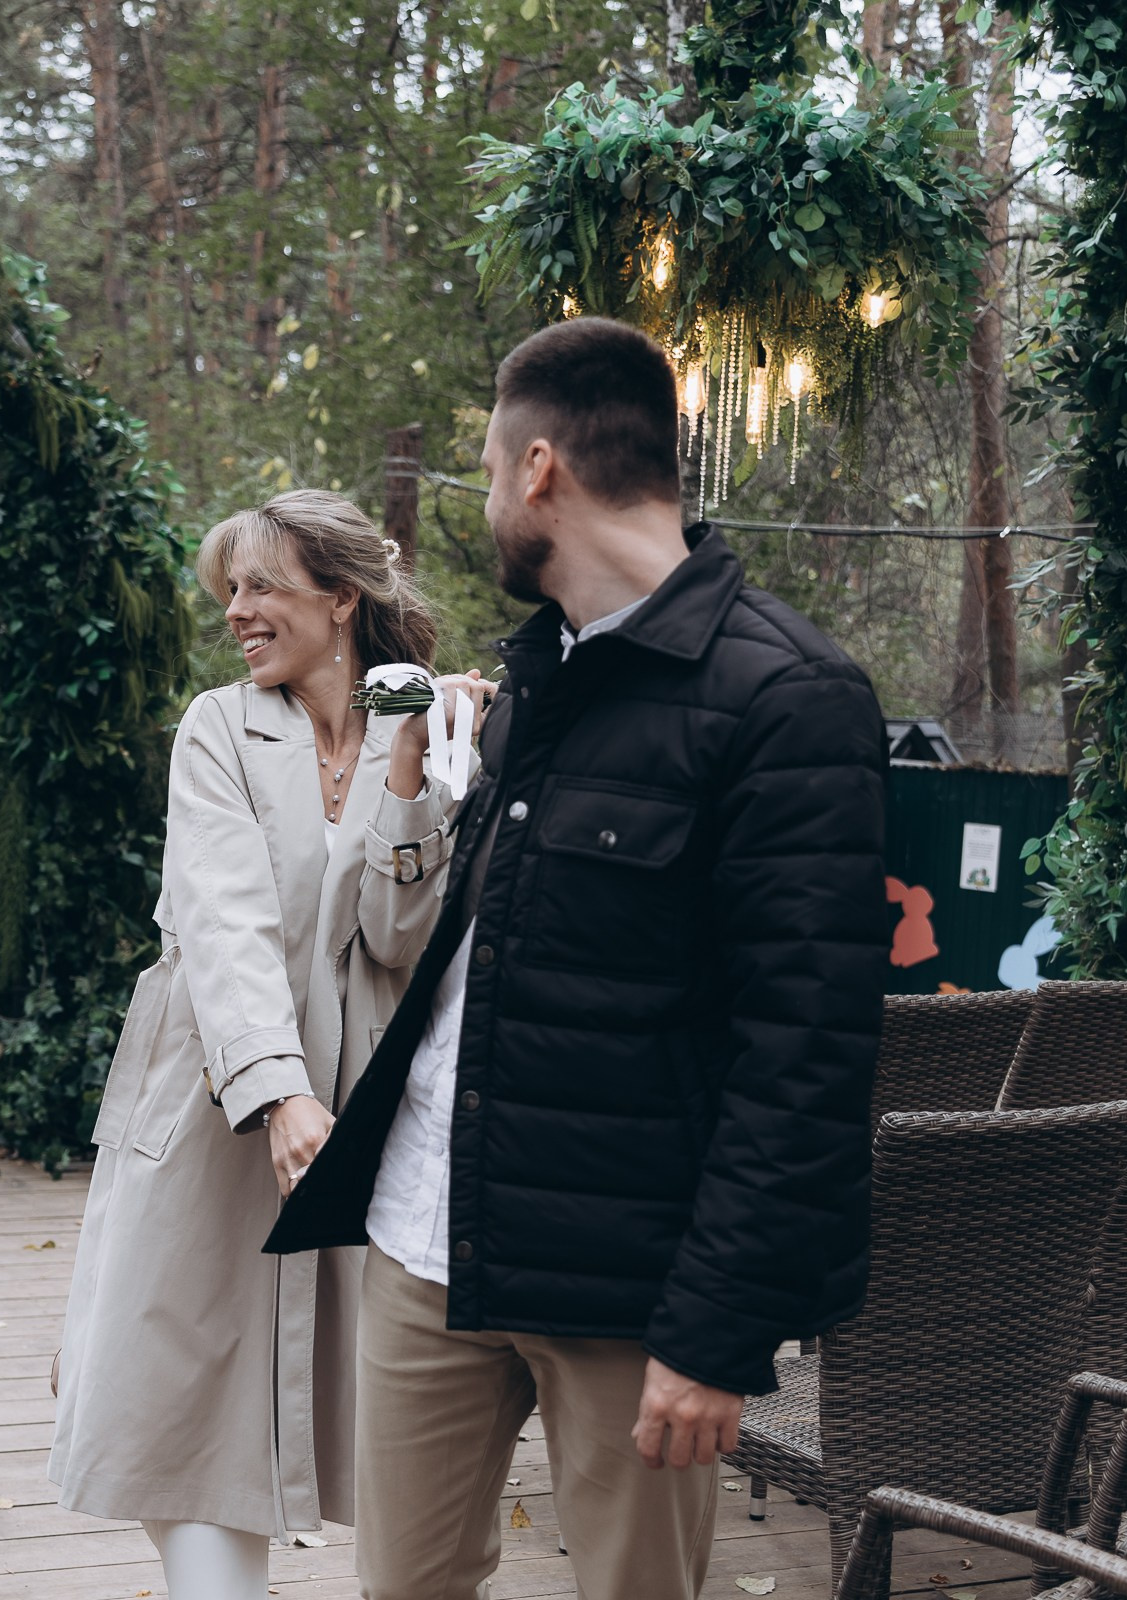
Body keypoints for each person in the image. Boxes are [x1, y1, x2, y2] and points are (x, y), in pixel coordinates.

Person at [266, 317, 889, 1600]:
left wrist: (719, 1330)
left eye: (493, 473)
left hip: (628, 1287)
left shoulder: (789, 698)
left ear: (540, 467)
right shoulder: (536, 676)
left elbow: (808, 1052)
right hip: (424, 1242)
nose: (490, 501)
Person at [50, 489, 494, 1599]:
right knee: (180, 1404)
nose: (237, 611)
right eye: (229, 590)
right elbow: (223, 925)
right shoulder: (217, 729)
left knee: (369, 1422)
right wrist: (277, 1095)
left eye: (260, 586)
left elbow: (399, 940)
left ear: (340, 598)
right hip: (211, 1109)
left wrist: (411, 765)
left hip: (359, 1119)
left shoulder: (429, 734)